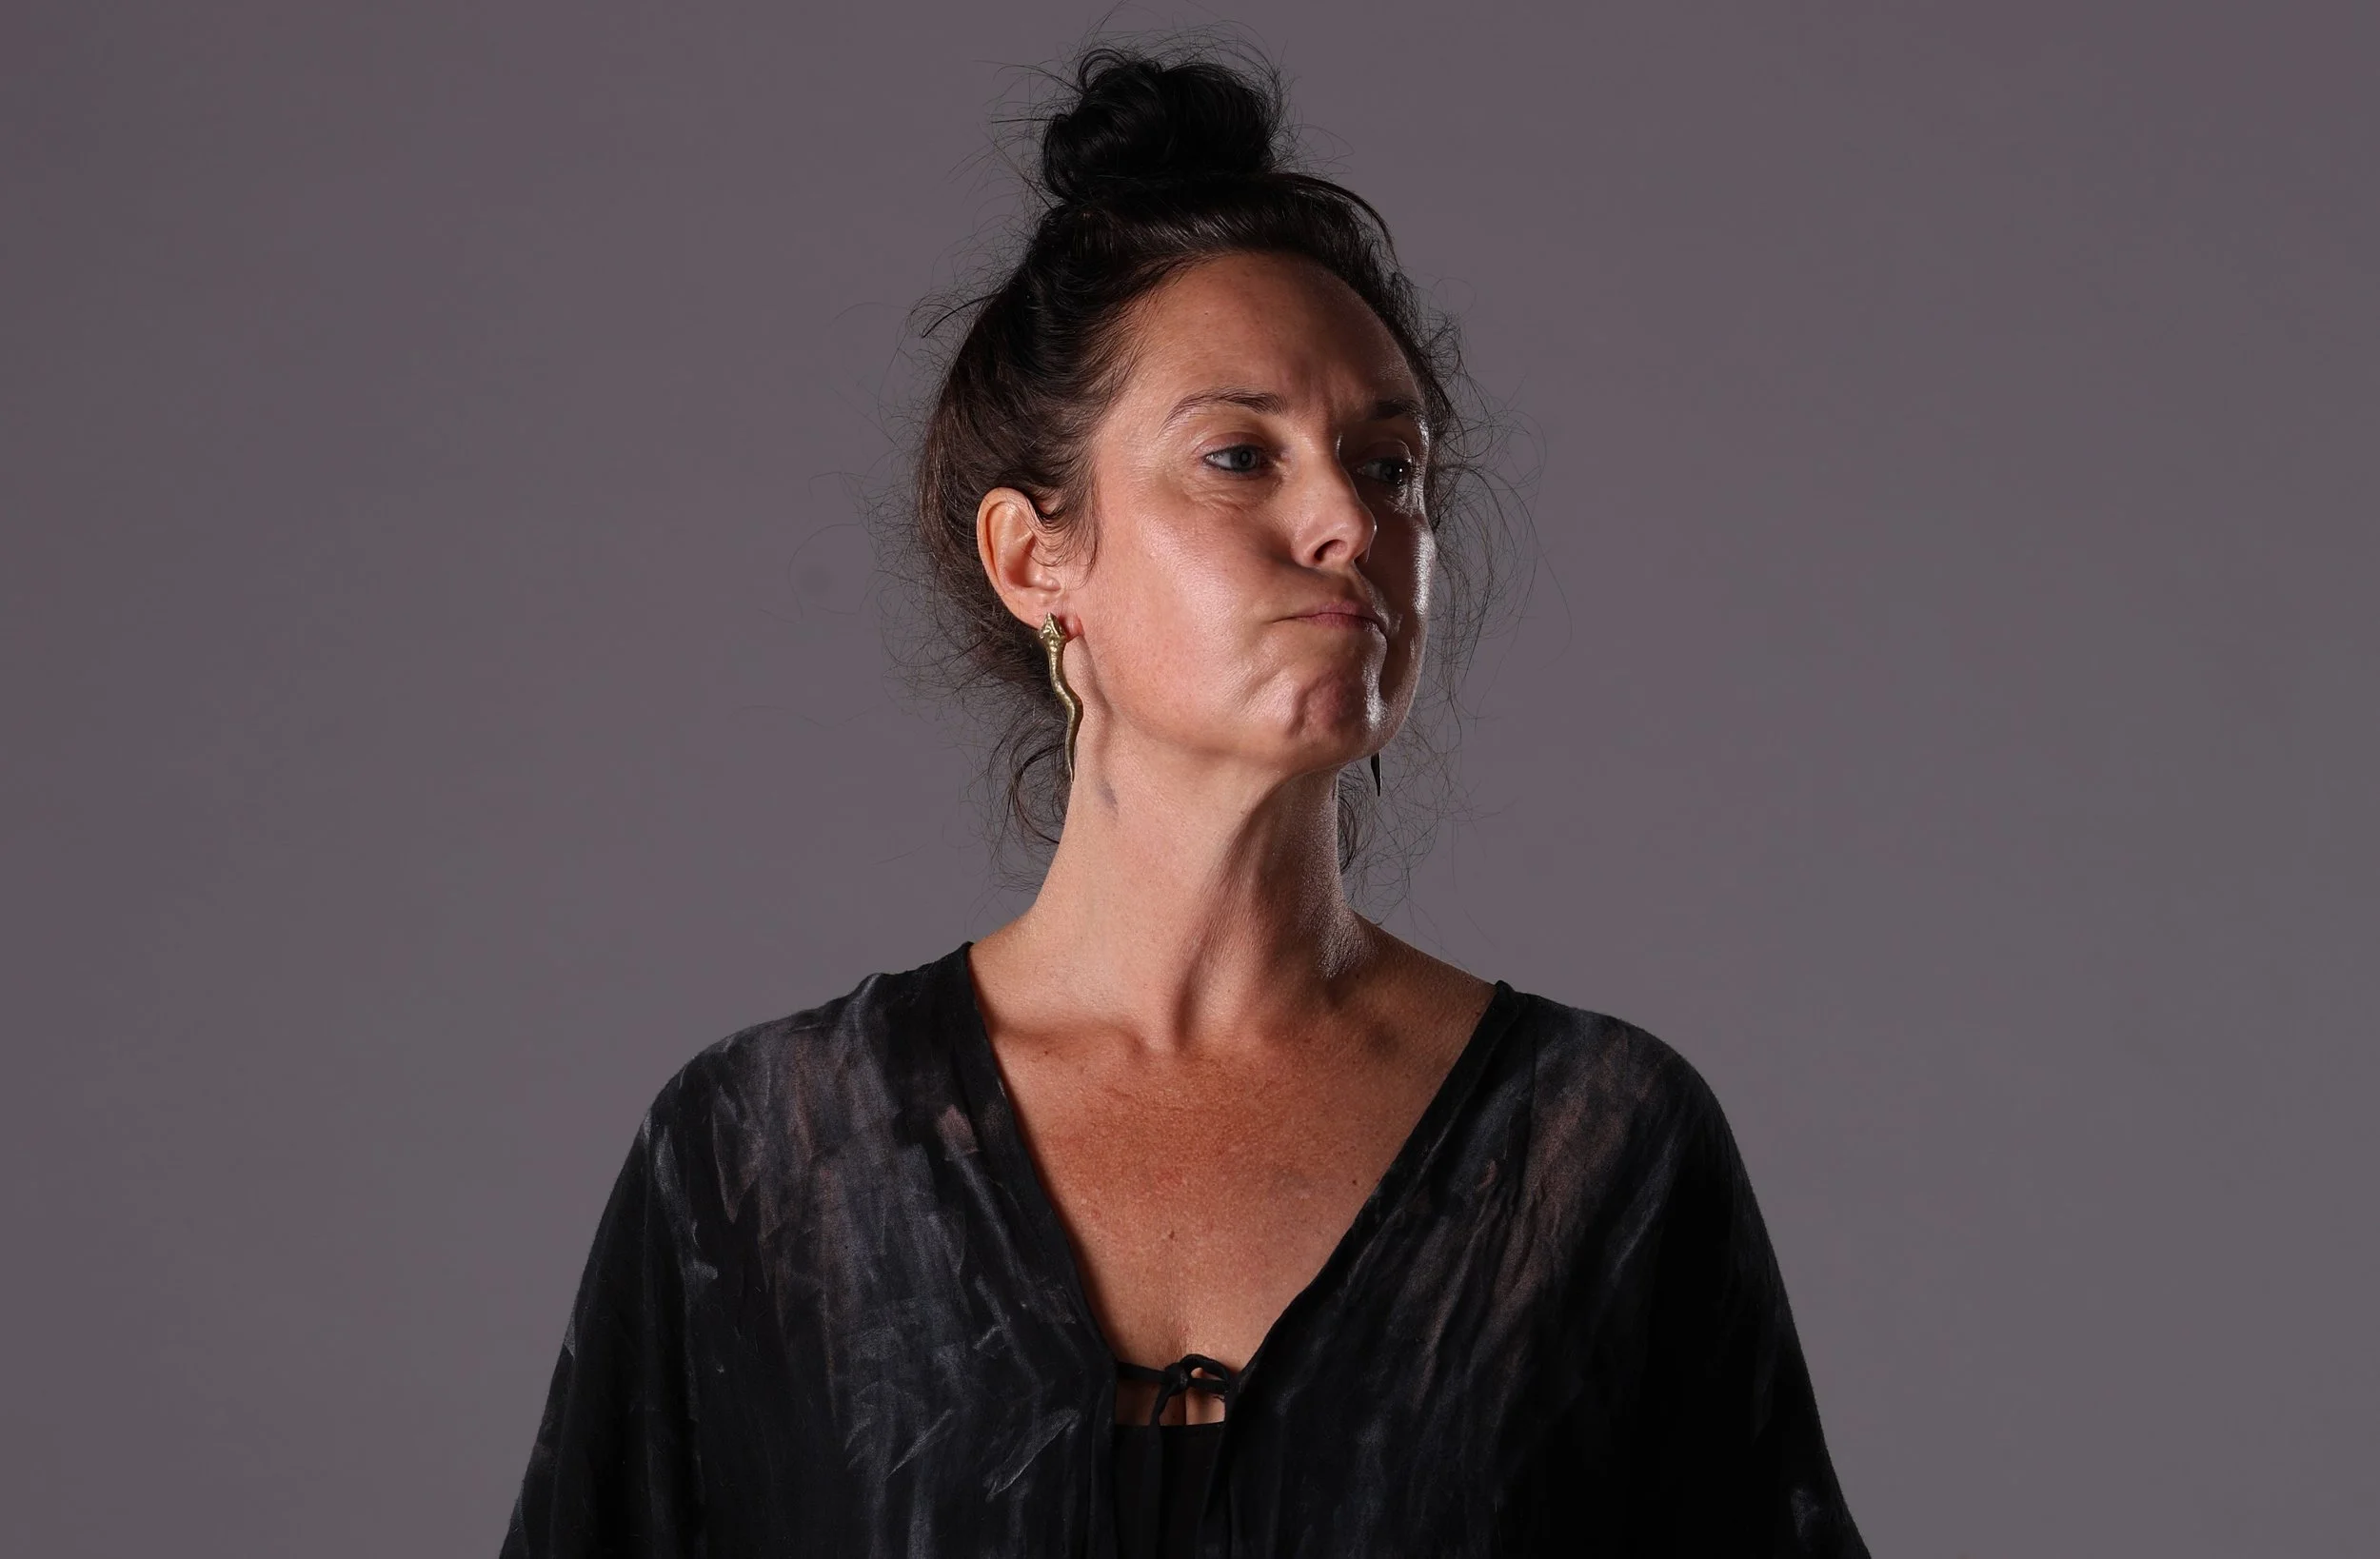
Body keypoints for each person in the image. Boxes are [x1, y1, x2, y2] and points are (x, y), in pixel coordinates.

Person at [501, 40, 1868, 1559]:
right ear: (1036, 557)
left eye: (1391, 467)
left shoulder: (1594, 1156)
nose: (1346, 519)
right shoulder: (764, 1164)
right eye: (1238, 455)